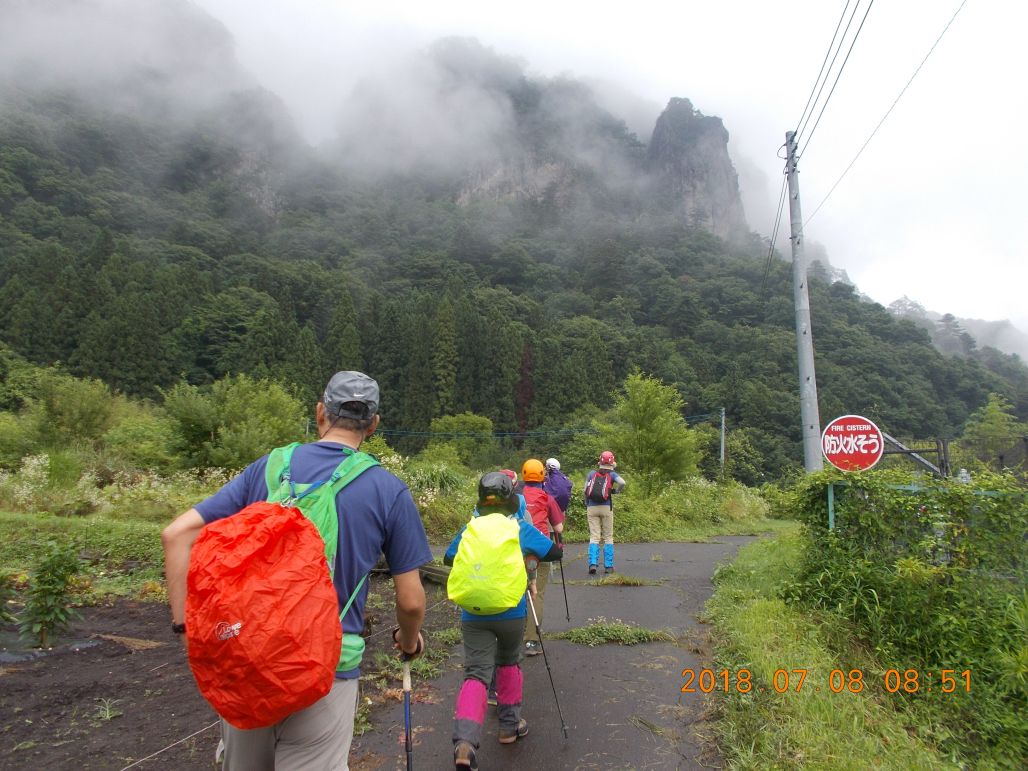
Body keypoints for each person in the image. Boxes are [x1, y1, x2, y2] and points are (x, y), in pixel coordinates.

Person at [161, 370, 432, 771]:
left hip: (249, 657)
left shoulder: (269, 468)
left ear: (321, 412)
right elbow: (410, 602)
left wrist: (189, 633)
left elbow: (177, 535)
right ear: (373, 425)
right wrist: (409, 642)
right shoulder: (387, 489)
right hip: (327, 667)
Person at [444, 472, 563, 770]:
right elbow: (554, 552)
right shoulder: (518, 527)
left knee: (475, 673)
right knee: (509, 662)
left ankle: (465, 743)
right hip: (510, 610)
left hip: (473, 611)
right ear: (512, 498)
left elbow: (449, 557)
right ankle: (509, 726)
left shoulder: (470, 527)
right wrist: (530, 558)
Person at [518, 458, 564, 656]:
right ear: (543, 476)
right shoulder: (547, 498)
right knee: (537, 593)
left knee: (517, 592)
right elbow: (559, 528)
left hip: (517, 549)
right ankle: (531, 642)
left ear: (523, 475)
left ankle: (511, 636)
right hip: (540, 550)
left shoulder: (515, 497)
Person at [584, 450, 626, 574]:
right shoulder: (612, 474)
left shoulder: (591, 473)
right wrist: (616, 491)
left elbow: (584, 489)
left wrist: (587, 503)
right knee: (608, 536)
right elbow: (623, 483)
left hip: (592, 507)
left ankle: (593, 564)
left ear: (600, 461)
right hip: (606, 507)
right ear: (612, 462)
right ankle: (608, 566)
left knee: (594, 536)